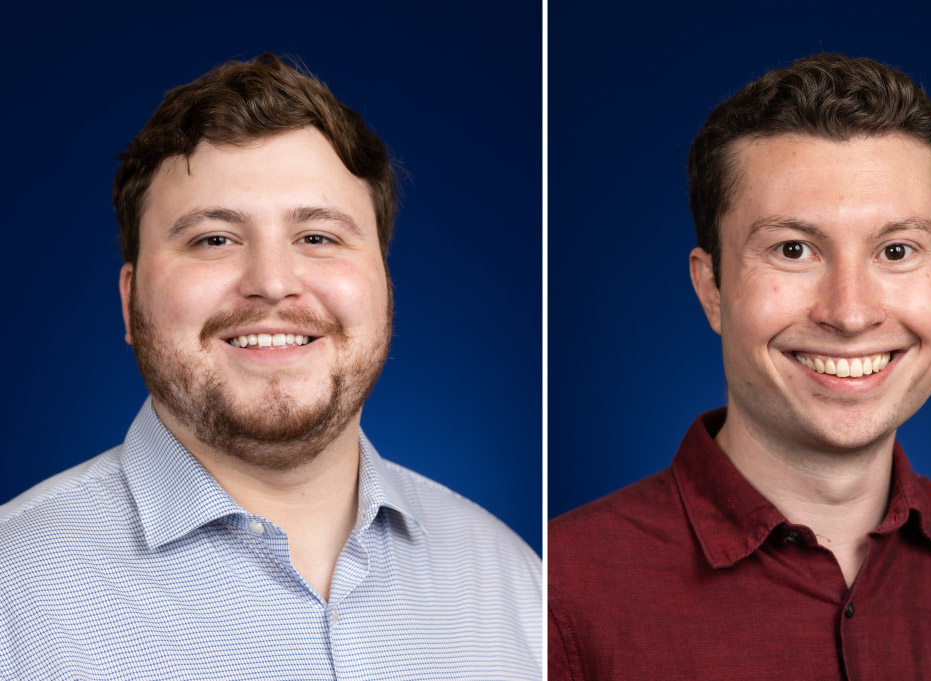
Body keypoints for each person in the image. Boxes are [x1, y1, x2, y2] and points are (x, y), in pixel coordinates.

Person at [0, 54, 540, 680]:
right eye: (213, 239)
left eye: (318, 237)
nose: (273, 284)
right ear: (129, 300)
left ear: (384, 287)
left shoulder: (516, 585)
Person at [548, 54, 931, 680]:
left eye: (896, 250)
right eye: (794, 249)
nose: (851, 313)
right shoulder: (560, 593)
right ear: (711, 288)